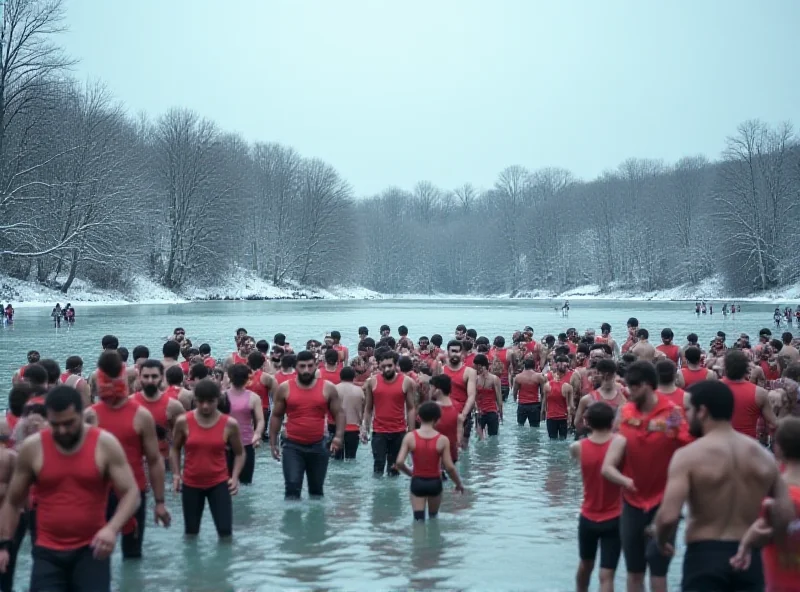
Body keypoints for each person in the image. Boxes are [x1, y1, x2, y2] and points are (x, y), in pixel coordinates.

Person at [654, 381, 795, 592]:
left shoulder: (687, 457)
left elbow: (668, 516)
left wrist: (661, 540)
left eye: (689, 410)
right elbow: (785, 514)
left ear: (702, 411)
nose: (687, 415)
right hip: (750, 557)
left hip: (704, 554)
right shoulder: (763, 456)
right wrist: (759, 539)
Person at [0, 386, 141, 592]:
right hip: (47, 552)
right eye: (55, 424)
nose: (62, 430)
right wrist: (4, 545)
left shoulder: (104, 444)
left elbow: (131, 493)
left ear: (81, 415)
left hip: (92, 550)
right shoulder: (33, 448)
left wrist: (112, 529)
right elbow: (13, 501)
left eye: (69, 423)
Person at [601, 360, 692, 592]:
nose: (628, 390)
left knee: (659, 571)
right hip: (631, 502)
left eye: (633, 386)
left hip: (664, 502)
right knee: (634, 571)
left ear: (648, 385)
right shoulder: (625, 412)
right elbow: (613, 447)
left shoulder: (672, 413)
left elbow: (688, 449)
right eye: (628, 385)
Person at [85, 351, 170, 560]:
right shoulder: (90, 416)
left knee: (132, 555)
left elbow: (155, 460)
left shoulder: (141, 415)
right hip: (97, 495)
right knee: (94, 554)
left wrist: (159, 502)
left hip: (133, 492)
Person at [732, 417, 800, 590]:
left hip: (781, 583)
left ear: (778, 449)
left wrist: (744, 547)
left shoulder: (773, 493)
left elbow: (761, 529)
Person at [170, 379, 243, 539]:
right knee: (191, 533)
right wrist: (176, 474)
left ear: (218, 400)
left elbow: (239, 453)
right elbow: (175, 448)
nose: (205, 406)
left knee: (225, 534)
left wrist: (235, 477)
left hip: (219, 484)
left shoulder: (229, 424)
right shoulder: (183, 422)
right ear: (195, 400)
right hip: (191, 484)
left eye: (210, 401)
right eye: (201, 401)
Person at [269, 350, 344, 499]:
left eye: (310, 366)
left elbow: (339, 413)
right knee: (292, 488)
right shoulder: (285, 388)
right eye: (302, 366)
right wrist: (273, 443)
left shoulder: (328, 388)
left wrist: (338, 437)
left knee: (316, 491)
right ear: (295, 366)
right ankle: (292, 521)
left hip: (319, 445)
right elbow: (276, 416)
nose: (306, 370)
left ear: (316, 365)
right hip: (292, 446)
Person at [570, 402, 622, 592]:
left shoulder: (577, 447)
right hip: (614, 516)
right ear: (612, 422)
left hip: (588, 516)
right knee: (607, 574)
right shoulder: (620, 446)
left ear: (588, 423)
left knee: (585, 565)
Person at [393, 401, 464, 521]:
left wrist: (411, 473)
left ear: (418, 417)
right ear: (437, 419)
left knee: (419, 520)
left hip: (417, 482)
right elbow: (449, 467)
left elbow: (399, 462)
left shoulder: (410, 437)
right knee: (433, 519)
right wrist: (458, 484)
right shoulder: (442, 440)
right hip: (435, 482)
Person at [362, 351, 417, 476]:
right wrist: (365, 429)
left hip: (399, 432)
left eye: (390, 366)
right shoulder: (372, 382)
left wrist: (412, 433)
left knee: (395, 468)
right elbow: (368, 408)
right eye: (383, 366)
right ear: (379, 366)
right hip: (379, 432)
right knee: (378, 466)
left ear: (396, 365)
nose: (386, 369)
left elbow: (411, 408)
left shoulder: (406, 382)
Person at [132, 360, 185, 466]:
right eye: (146, 376)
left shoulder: (174, 406)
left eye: (154, 376)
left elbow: (182, 441)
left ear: (162, 377)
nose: (150, 380)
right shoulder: (129, 404)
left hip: (165, 462)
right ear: (139, 377)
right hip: (137, 462)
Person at [721, 349, 778, 439]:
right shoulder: (760, 393)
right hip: (748, 444)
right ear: (746, 369)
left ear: (725, 368)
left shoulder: (713, 387)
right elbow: (773, 424)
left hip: (720, 442)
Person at [224, 364, 264, 486]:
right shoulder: (221, 396)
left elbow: (260, 420)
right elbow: (261, 420)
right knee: (230, 482)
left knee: (245, 483)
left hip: (246, 443)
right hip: (225, 444)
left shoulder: (253, 398)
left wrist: (257, 434)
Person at [574, 359, 626, 434]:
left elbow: (577, 422)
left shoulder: (587, 399)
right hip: (615, 441)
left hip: (595, 438)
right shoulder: (623, 398)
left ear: (599, 374)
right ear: (615, 374)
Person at [441, 340, 477, 446]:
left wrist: (463, 415)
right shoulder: (442, 371)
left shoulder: (470, 372)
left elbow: (471, 396)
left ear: (462, 353)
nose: (455, 354)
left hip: (463, 414)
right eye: (453, 351)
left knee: (462, 447)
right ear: (448, 352)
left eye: (457, 351)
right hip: (445, 415)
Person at [333, 367, 365, 460]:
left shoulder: (334, 389)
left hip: (337, 428)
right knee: (351, 459)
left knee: (336, 459)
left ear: (340, 376)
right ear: (354, 377)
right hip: (353, 429)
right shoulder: (359, 391)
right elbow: (362, 411)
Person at [543, 356, 573, 440]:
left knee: (552, 439)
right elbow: (571, 406)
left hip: (551, 417)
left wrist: (543, 413)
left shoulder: (547, 385)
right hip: (563, 417)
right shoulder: (568, 386)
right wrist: (570, 418)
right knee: (563, 439)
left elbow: (544, 402)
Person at [511, 359, 548, 427]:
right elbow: (543, 393)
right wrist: (543, 407)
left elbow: (514, 392)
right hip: (534, 405)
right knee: (535, 427)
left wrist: (515, 400)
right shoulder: (539, 376)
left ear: (524, 366)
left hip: (522, 405)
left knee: (520, 426)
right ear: (534, 367)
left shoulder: (518, 377)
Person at [473, 354, 503, 437]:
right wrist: (476, 410)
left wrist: (500, 413)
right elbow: (474, 398)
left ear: (479, 366)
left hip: (491, 412)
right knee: (480, 437)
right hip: (480, 412)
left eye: (475, 366)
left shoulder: (494, 379)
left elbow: (499, 398)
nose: (474, 368)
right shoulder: (476, 379)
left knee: (489, 437)